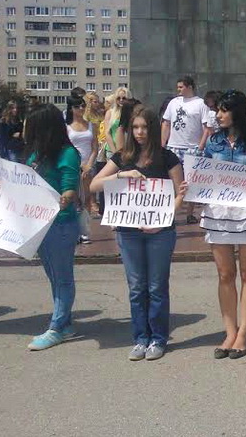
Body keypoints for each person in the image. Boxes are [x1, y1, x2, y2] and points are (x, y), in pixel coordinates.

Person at [90, 107, 186, 361]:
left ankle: (158, 338)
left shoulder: (167, 158)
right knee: (136, 287)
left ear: (153, 129)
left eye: (144, 127)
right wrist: (122, 174)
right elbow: (94, 184)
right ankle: (140, 338)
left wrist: (162, 219)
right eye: (135, 127)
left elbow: (179, 196)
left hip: (160, 232)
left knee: (156, 287)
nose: (140, 132)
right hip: (128, 230)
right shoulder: (122, 157)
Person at [201, 91, 246, 360]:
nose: (218, 115)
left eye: (223, 110)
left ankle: (243, 332)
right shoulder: (213, 143)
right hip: (218, 213)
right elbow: (203, 174)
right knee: (224, 274)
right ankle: (229, 331)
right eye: (217, 110)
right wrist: (194, 187)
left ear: (237, 113)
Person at [24, 105, 81, 350]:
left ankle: (57, 327)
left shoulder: (67, 153)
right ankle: (65, 323)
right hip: (39, 223)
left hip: (60, 224)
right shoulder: (37, 153)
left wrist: (66, 197)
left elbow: (70, 186)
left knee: (62, 278)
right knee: (54, 277)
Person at [161, 75, 211, 224]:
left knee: (191, 183)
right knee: (172, 181)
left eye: (181, 87)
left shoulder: (200, 104)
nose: (178, 90)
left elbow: (206, 127)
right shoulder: (173, 103)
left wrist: (201, 146)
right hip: (174, 147)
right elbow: (166, 123)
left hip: (192, 148)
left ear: (189, 87)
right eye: (178, 87)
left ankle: (190, 213)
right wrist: (162, 143)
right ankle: (170, 213)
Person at [65, 96, 98, 244]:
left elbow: (95, 148)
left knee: (87, 198)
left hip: (88, 165)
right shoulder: (67, 127)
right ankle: (74, 231)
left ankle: (85, 231)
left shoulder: (91, 125)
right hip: (73, 165)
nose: (81, 109)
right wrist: (78, 164)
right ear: (71, 108)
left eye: (83, 106)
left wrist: (89, 165)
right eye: (77, 106)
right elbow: (66, 148)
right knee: (74, 199)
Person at [84, 92, 105, 217]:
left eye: (98, 101)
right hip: (90, 145)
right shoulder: (86, 117)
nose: (97, 104)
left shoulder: (100, 114)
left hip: (100, 145)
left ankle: (93, 201)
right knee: (89, 176)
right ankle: (91, 202)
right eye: (95, 101)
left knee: (95, 173)